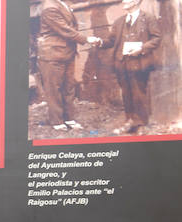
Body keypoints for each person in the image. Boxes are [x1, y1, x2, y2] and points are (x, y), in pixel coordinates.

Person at [98, 0, 161, 135]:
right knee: (126, 94)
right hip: (121, 63)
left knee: (139, 93)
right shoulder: (119, 21)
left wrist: (141, 49)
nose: (124, 2)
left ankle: (142, 124)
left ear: (136, 1)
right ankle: (130, 121)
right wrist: (100, 42)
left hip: (140, 63)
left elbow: (156, 39)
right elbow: (111, 41)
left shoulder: (148, 18)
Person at [36, 0, 101, 131]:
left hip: (66, 53)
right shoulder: (50, 7)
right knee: (54, 89)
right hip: (52, 55)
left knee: (69, 87)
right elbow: (65, 30)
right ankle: (57, 121)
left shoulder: (63, 4)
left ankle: (69, 118)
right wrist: (87, 39)